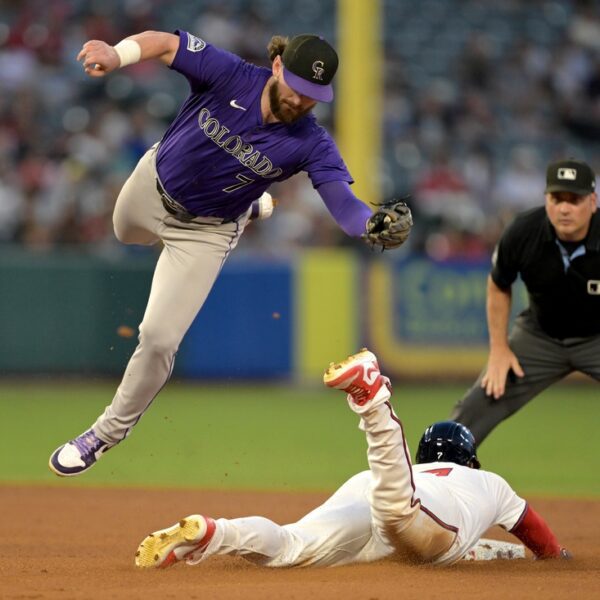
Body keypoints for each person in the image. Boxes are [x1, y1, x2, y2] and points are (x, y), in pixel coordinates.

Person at [48, 30, 412, 477]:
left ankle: (104, 434)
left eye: (314, 96)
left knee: (159, 338)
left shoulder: (311, 141)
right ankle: (254, 203)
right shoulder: (232, 75)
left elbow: (343, 203)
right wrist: (116, 55)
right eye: (298, 88)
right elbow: (164, 43)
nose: (302, 101)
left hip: (205, 232)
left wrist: (369, 225)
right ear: (277, 67)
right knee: (124, 234)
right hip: (152, 186)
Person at [134, 349, 570, 570]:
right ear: (470, 460)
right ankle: (373, 398)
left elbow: (486, 549)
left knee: (289, 544)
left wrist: (514, 557)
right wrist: (555, 557)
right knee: (400, 510)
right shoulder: (488, 482)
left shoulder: (419, 470)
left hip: (372, 491)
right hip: (413, 506)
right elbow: (540, 538)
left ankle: (214, 533)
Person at [451, 158, 599, 444]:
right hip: (539, 337)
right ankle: (434, 478)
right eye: (557, 198)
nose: (565, 208)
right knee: (478, 403)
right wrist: (499, 349)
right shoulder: (523, 231)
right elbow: (498, 285)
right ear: (546, 200)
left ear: (592, 201)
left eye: (575, 199)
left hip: (596, 337)